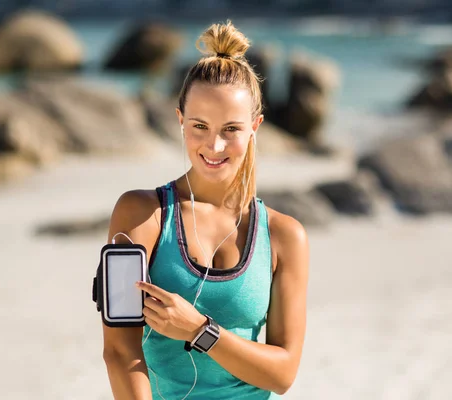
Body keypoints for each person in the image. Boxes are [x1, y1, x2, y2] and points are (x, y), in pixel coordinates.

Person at [102, 20, 309, 400]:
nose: (214, 146)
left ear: (255, 127)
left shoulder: (283, 236)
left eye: (231, 128)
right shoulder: (142, 215)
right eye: (200, 126)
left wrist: (201, 330)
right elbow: (119, 351)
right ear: (180, 121)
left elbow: (283, 374)